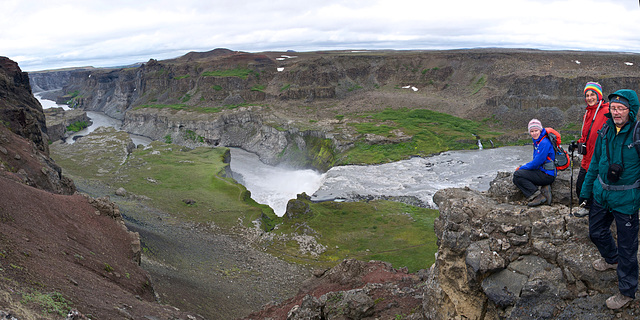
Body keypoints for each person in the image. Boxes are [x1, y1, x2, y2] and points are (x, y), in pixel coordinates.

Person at [579, 89, 640, 310]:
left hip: (627, 200)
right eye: (613, 108)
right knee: (595, 232)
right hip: (602, 194)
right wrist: (586, 192)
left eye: (621, 108)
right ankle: (610, 259)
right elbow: (595, 163)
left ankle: (627, 292)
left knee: (628, 249)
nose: (616, 112)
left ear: (630, 110)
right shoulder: (605, 130)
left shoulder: (637, 134)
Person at [570, 82, 610, 217]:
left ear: (599, 95)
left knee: (592, 187)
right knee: (581, 186)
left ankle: (591, 210)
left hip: (599, 159)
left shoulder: (606, 111)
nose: (589, 97)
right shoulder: (588, 112)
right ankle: (587, 208)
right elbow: (586, 135)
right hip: (587, 158)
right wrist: (577, 145)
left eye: (592, 94)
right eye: (587, 95)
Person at [513, 119, 556, 206]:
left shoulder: (544, 142)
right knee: (516, 177)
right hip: (543, 172)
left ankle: (538, 196)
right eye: (532, 131)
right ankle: (544, 188)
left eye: (536, 130)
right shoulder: (537, 142)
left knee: (518, 174)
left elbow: (537, 162)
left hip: (547, 175)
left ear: (540, 130)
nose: (534, 133)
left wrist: (521, 168)